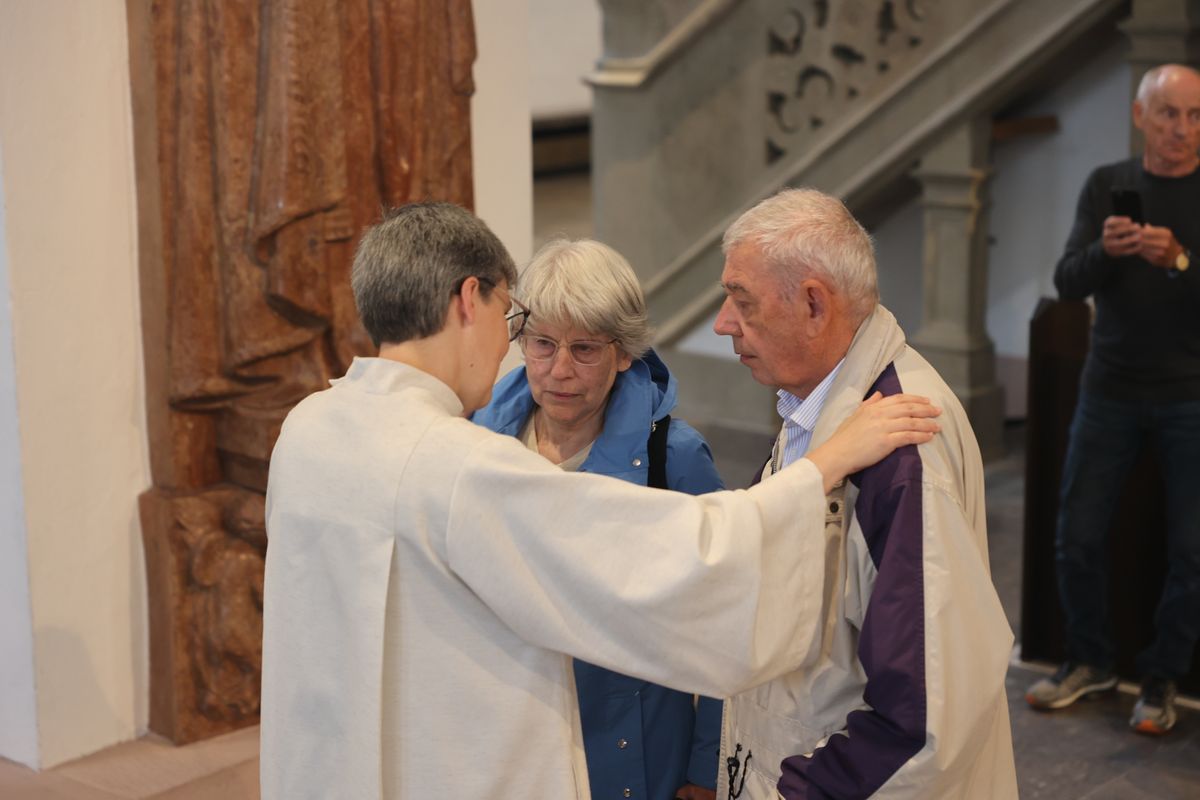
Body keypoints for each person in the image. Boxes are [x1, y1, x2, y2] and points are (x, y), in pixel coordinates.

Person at [259, 202, 942, 799]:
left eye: (582, 347)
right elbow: (674, 554)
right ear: (470, 300)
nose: (522, 348)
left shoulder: (308, 428)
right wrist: (820, 465)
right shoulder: (457, 463)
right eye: (516, 319)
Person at [710, 188, 1018, 799]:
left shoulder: (902, 456)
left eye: (742, 302)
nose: (723, 323)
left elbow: (926, 720)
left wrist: (793, 794)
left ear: (815, 304)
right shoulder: (827, 406)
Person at [473, 238, 725, 800]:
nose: (559, 370)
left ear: (624, 352)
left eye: (584, 349)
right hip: (511, 743)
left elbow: (719, 622)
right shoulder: (475, 439)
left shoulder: (675, 458)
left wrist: (705, 770)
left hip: (634, 757)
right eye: (542, 344)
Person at [1024, 64, 1200, 735]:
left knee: (1192, 552)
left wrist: (1179, 260)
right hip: (1110, 388)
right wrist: (1106, 249)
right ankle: (1090, 660)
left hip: (1191, 395)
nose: (1181, 130)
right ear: (1139, 114)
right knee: (1077, 538)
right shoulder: (1106, 184)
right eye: (1168, 114)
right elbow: (1069, 281)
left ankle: (1161, 679)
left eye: (1194, 116)